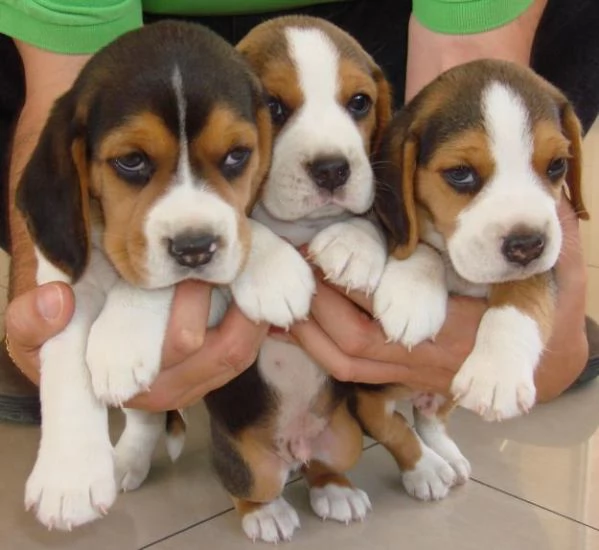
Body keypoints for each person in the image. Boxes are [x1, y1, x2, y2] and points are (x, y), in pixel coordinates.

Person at [0, 0, 597, 423]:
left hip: (382, 19)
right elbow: (71, 96)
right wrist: (54, 277)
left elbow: (467, 91)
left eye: (358, 104)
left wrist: (516, 302)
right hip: (151, 49)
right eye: (277, 111)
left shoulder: (390, 130)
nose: (329, 152)